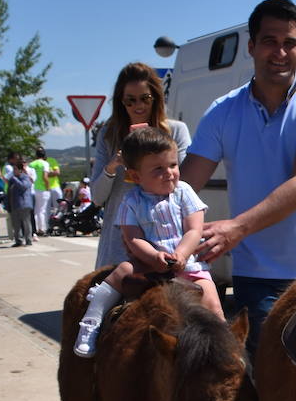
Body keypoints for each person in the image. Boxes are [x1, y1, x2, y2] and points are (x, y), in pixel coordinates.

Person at [181, 0, 296, 355]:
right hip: (254, 276)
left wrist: (236, 228)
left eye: (290, 43)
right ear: (251, 47)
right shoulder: (222, 112)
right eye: (270, 41)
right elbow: (187, 186)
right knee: (265, 392)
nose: (280, 52)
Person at [74, 128, 224, 357]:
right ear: (136, 176)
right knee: (121, 272)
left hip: (188, 266)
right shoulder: (131, 200)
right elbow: (132, 237)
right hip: (148, 263)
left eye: (173, 165)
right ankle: (91, 323)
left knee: (213, 305)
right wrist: (153, 257)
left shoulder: (184, 192)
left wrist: (182, 255)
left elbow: (194, 229)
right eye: (158, 169)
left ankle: (225, 350)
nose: (170, 173)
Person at [90, 63, 192, 271]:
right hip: (118, 243)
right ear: (121, 102)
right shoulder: (109, 135)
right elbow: (97, 197)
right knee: (109, 300)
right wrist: (113, 166)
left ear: (155, 97)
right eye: (130, 100)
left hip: (165, 241)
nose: (138, 106)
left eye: (145, 98)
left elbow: (182, 186)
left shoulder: (175, 131)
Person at [5, 153, 34, 247]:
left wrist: (15, 179)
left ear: (21, 170)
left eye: (16, 169)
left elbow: (23, 187)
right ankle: (18, 240)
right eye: (13, 169)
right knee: (16, 224)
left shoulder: (25, 178)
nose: (14, 171)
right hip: (14, 205)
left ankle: (28, 239)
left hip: (24, 204)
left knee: (26, 223)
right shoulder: (12, 180)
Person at [29, 147, 56, 236]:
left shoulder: (31, 164)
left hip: (33, 189)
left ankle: (35, 228)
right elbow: (45, 177)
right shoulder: (45, 164)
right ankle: (42, 228)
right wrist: (48, 187)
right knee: (42, 210)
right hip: (42, 189)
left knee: (35, 210)